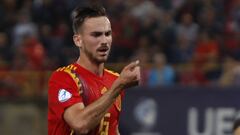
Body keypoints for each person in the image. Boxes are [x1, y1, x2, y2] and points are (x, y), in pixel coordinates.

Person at [48, 5, 140, 135]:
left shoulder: (114, 79)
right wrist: (118, 87)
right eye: (96, 35)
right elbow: (80, 124)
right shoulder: (63, 78)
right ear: (78, 40)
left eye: (107, 34)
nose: (104, 41)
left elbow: (111, 129)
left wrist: (117, 86)